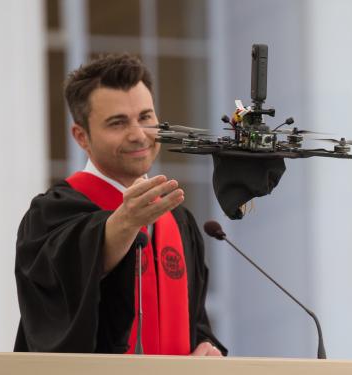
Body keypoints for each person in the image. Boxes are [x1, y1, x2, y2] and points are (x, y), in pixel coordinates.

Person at [14, 54, 225, 356]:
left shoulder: (178, 220)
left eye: (145, 117)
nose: (138, 134)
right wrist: (123, 224)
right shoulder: (51, 216)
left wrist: (207, 345)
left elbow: (197, 321)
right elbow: (53, 314)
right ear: (81, 136)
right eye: (117, 123)